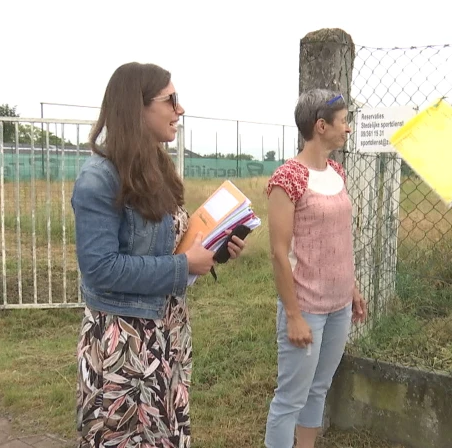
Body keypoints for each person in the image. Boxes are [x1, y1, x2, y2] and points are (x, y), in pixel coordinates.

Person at [71, 62, 246, 448]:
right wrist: (183, 266)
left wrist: (214, 250)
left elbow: (167, 247)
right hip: (124, 346)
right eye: (171, 100)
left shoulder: (156, 168)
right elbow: (100, 268)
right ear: (137, 107)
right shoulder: (99, 178)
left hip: (167, 336)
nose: (179, 109)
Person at [263, 89, 367, 448]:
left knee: (319, 389)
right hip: (306, 308)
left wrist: (350, 288)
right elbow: (278, 253)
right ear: (321, 126)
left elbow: (337, 237)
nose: (348, 129)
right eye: (343, 122)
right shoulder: (288, 178)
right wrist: (293, 314)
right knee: (291, 398)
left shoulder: (337, 171)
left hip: (338, 306)